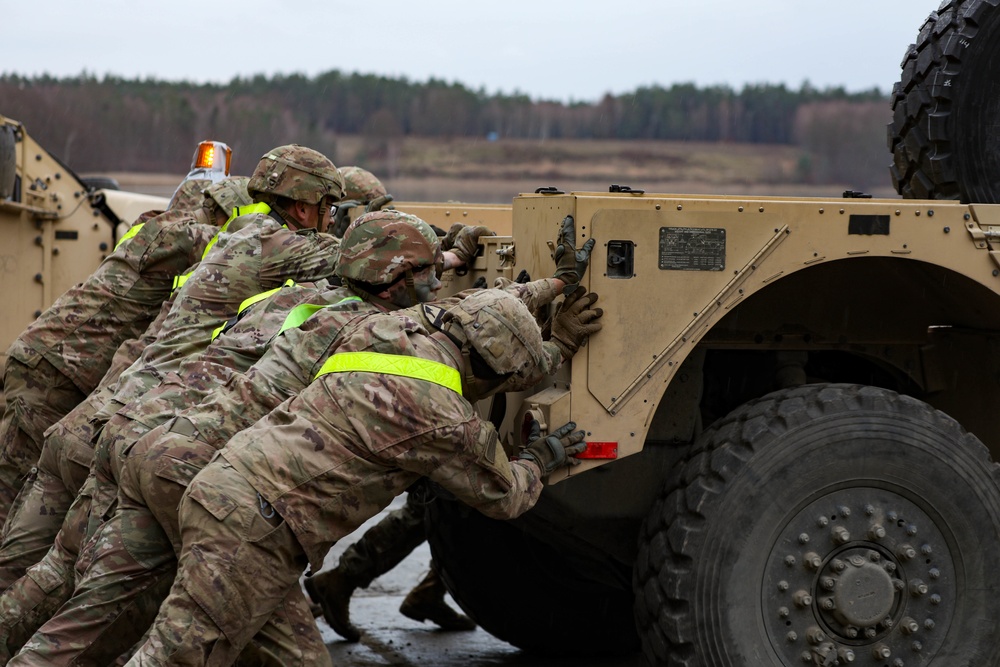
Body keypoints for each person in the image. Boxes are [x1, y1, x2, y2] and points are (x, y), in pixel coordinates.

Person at [1, 211, 495, 665]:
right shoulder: (367, 330)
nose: (432, 284)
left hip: (146, 441)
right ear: (393, 280)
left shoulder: (296, 296)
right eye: (424, 273)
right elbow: (446, 334)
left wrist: (445, 257)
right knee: (267, 649)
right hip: (208, 482)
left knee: (89, 609)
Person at [121, 285, 602, 666]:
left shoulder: (390, 331)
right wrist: (544, 456)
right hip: (253, 533)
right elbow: (508, 496)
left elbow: (466, 307)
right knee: (177, 655)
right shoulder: (446, 419)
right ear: (488, 372)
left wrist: (543, 288)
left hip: (225, 488)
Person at [0, 174, 250, 540]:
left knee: (25, 497)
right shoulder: (181, 236)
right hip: (55, 369)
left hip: (56, 360)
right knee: (11, 501)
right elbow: (244, 246)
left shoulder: (153, 224)